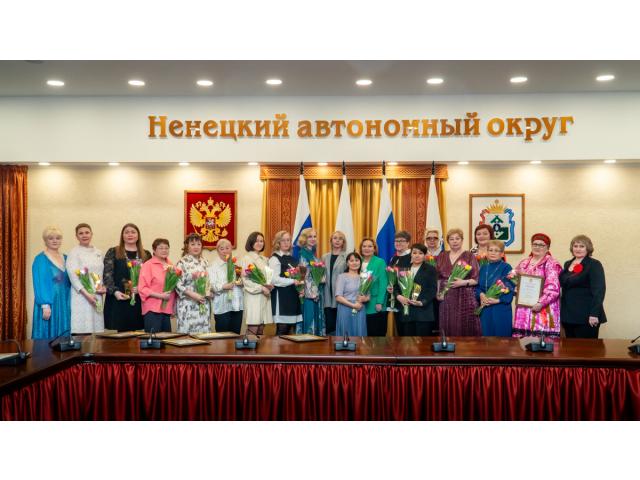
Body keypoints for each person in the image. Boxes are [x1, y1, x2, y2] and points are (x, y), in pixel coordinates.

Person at [513, 233, 562, 338]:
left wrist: (541, 302)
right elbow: (513, 278)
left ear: (547, 248)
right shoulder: (524, 262)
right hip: (524, 310)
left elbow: (553, 288)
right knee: (522, 343)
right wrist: (515, 288)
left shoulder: (551, 263)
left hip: (543, 309)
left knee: (542, 343)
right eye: (535, 244)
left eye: (541, 245)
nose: (537, 247)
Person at [103, 223, 151, 331]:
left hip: (139, 300)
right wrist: (115, 292)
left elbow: (150, 278)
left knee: (138, 336)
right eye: (127, 232)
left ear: (138, 235)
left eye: (133, 232)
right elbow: (107, 275)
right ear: (122, 235)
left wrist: (141, 288)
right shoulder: (113, 251)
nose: (130, 234)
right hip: (118, 299)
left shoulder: (146, 254)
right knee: (120, 337)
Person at [560, 235, 607, 338]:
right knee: (570, 347)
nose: (578, 249)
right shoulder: (567, 264)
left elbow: (599, 291)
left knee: (586, 348)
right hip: (568, 316)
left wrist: (594, 314)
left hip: (587, 317)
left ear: (588, 248)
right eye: (575, 246)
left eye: (582, 246)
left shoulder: (594, 264)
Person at [436, 228, 481, 336]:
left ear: (462, 240)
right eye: (451, 239)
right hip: (446, 297)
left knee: (463, 327)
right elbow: (438, 278)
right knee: (447, 325)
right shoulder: (442, 256)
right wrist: (438, 293)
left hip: (464, 298)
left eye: (457, 238)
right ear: (448, 241)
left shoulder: (469, 256)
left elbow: (476, 279)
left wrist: (462, 282)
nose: (455, 241)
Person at [32, 226, 71, 339]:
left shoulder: (67, 258)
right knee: (47, 336)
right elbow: (40, 282)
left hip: (64, 301)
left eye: (58, 238)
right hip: (49, 302)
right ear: (45, 240)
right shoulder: (41, 259)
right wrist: (45, 305)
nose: (55, 241)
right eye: (51, 238)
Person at [66, 223, 106, 334]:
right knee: (83, 330)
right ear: (76, 236)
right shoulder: (74, 252)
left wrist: (103, 287)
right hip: (82, 296)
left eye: (87, 232)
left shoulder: (98, 252)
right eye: (81, 233)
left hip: (97, 295)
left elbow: (101, 273)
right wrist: (87, 294)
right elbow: (73, 276)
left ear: (91, 234)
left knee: (97, 332)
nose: (84, 235)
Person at [394, 243, 438, 336]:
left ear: (425, 255)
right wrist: (398, 296)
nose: (417, 255)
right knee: (407, 343)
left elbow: (432, 290)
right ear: (411, 254)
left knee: (422, 343)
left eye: (420, 253)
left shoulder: (430, 269)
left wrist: (422, 302)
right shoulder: (403, 269)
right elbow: (396, 286)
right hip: (406, 313)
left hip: (423, 313)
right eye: (414, 253)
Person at [475, 240, 515, 337]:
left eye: (496, 251)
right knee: (486, 338)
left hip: (500, 308)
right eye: (490, 250)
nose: (493, 253)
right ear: (487, 252)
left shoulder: (506, 267)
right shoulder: (483, 267)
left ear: (502, 254)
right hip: (485, 307)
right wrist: (481, 295)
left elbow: (510, 287)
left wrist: (498, 300)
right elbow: (477, 286)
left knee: (501, 339)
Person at [175, 233, 212, 334]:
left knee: (204, 336)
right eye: (193, 244)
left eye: (199, 244)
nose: (196, 247)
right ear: (187, 246)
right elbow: (177, 284)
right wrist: (192, 294)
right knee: (187, 336)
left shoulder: (205, 262)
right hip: (188, 304)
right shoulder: (182, 262)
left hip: (203, 304)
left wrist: (209, 292)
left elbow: (209, 281)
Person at [138, 238, 176, 333]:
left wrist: (173, 307)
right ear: (154, 250)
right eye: (161, 248)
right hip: (152, 309)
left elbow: (173, 289)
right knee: (154, 339)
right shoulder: (148, 265)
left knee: (166, 339)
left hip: (166, 309)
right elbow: (142, 288)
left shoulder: (171, 265)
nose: (164, 250)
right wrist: (160, 296)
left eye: (166, 248)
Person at [269, 230, 303, 335]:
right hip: (281, 298)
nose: (286, 243)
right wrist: (293, 281)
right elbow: (274, 279)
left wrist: (301, 288)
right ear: (278, 242)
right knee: (282, 329)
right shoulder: (275, 258)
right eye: (283, 240)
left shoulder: (293, 259)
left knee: (290, 331)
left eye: (288, 240)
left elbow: (299, 277)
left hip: (293, 297)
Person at [241, 231, 274, 336]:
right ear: (251, 242)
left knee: (261, 329)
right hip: (253, 297)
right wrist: (261, 288)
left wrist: (270, 285)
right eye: (256, 241)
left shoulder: (265, 259)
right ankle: (248, 347)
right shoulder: (247, 258)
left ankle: (259, 348)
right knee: (253, 329)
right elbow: (246, 280)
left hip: (265, 296)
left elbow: (268, 277)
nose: (259, 243)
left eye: (261, 241)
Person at [209, 239, 243, 334]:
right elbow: (211, 284)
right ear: (217, 251)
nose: (225, 251)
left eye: (227, 248)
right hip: (222, 306)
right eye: (222, 249)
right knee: (222, 337)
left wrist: (241, 282)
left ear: (231, 249)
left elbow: (242, 279)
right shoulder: (213, 265)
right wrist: (223, 286)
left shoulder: (236, 264)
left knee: (235, 335)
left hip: (237, 305)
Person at [296, 228, 325, 335]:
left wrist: (321, 278)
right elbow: (303, 276)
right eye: (310, 237)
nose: (313, 239)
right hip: (309, 294)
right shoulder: (303, 253)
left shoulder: (312, 253)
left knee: (315, 318)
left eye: (314, 236)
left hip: (316, 292)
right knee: (310, 319)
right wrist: (312, 291)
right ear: (304, 238)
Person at [359, 237, 388, 336]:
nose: (366, 248)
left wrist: (379, 302)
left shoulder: (380, 262)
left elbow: (383, 283)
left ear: (374, 249)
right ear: (361, 248)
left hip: (375, 303)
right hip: (360, 304)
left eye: (370, 246)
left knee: (376, 335)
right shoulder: (357, 261)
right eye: (364, 246)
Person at [335, 252, 368, 336]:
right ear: (347, 263)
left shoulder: (364, 277)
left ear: (360, 262)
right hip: (345, 309)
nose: (354, 263)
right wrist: (353, 305)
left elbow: (368, 296)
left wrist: (364, 299)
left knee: (359, 334)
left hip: (360, 309)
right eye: (351, 261)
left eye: (356, 260)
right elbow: (338, 297)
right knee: (346, 335)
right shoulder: (342, 276)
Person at [321, 231, 347, 336]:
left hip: (342, 296)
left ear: (343, 242)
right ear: (331, 240)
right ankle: (329, 344)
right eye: (335, 238)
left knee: (341, 326)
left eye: (340, 238)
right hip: (327, 295)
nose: (337, 240)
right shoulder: (324, 257)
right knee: (329, 325)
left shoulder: (347, 257)